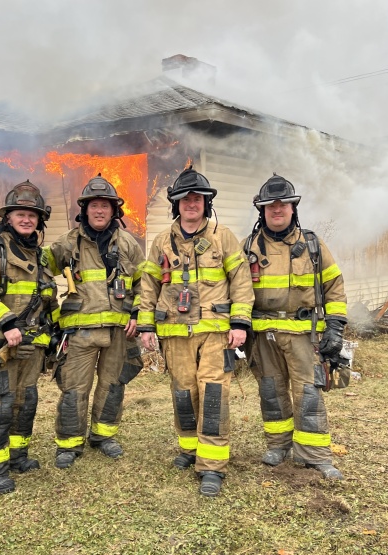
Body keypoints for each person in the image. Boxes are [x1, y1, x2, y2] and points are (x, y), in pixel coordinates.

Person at [137, 166, 254, 497]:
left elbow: (242, 282)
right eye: (184, 199)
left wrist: (240, 323)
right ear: (177, 204)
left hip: (216, 333)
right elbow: (148, 286)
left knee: (213, 394)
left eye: (197, 199)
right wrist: (146, 325)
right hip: (175, 332)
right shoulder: (162, 241)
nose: (191, 204)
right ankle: (189, 450)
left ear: (206, 203)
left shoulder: (223, 236)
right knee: (183, 393)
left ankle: (212, 465)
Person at [243, 174, 348, 480]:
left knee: (309, 394)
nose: (277, 210)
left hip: (304, 335)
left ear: (293, 208)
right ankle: (278, 445)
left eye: (283, 205)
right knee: (271, 391)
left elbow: (334, 285)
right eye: (270, 206)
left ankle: (315, 455)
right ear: (262, 210)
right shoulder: (248, 246)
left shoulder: (312, 244)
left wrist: (336, 325)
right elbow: (235, 288)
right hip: (263, 336)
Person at [44, 174, 144, 469]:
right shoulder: (67, 244)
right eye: (94, 206)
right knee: (74, 387)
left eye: (105, 206)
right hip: (80, 332)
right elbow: (38, 273)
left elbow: (144, 285)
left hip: (119, 331)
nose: (99, 211)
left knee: (113, 385)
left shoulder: (129, 244)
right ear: (84, 210)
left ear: (114, 210)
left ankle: (103, 435)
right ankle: (69, 443)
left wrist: (138, 314)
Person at [0, 180, 59, 494]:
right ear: (8, 217)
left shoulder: (41, 257)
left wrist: (57, 331)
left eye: (32, 215)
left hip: (31, 348)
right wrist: (6, 323)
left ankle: (17, 456)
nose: (26, 219)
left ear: (39, 221)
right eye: (20, 213)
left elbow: (48, 299)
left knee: (25, 402)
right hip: (0, 345)